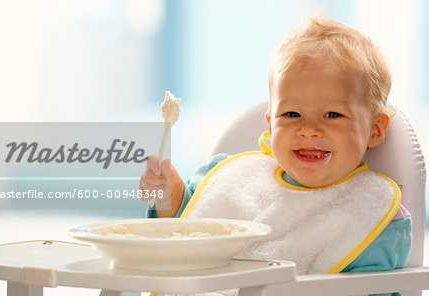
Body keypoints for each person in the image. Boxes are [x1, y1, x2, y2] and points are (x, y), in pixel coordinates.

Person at [139, 16, 412, 295]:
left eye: (333, 115)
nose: (308, 130)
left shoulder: (373, 214)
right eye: (291, 114)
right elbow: (182, 234)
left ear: (375, 129)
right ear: (270, 124)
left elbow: (376, 287)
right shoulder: (232, 178)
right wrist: (169, 196)